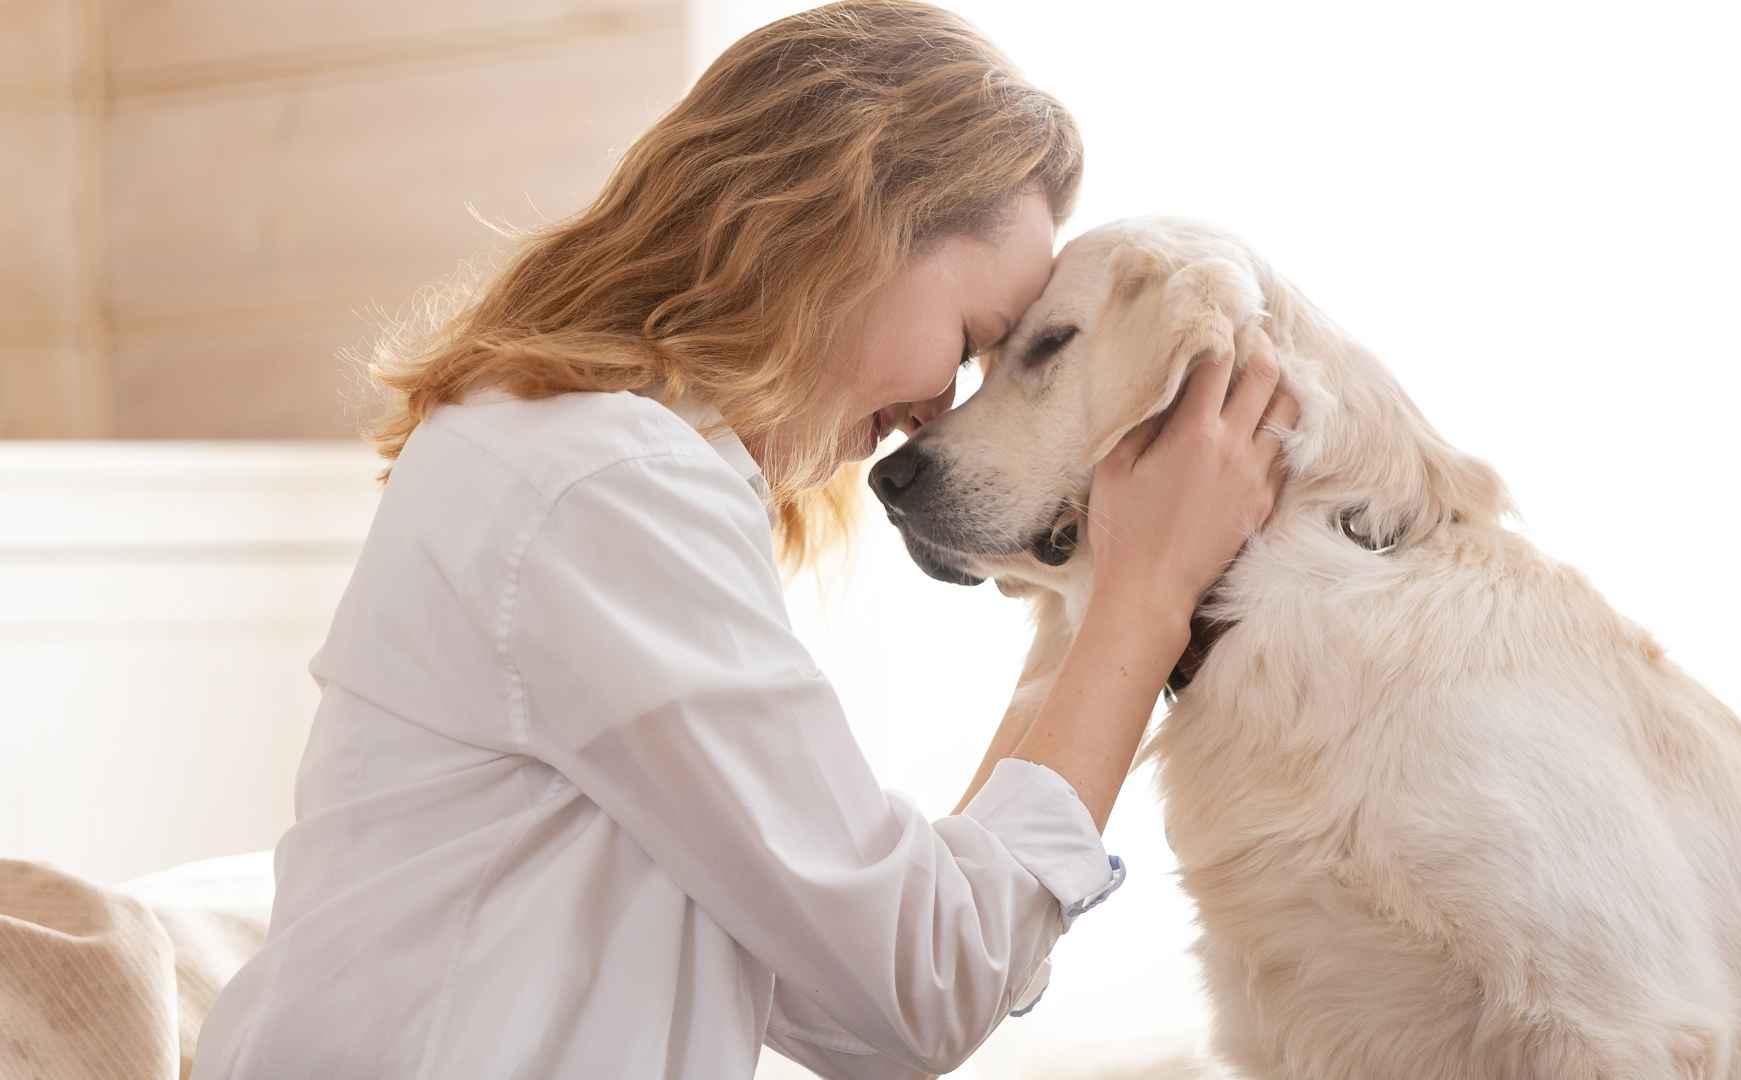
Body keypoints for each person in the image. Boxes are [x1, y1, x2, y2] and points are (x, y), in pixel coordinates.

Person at [193, 3, 1294, 1077]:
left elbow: (858, 1007)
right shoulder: (607, 486)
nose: (934, 414)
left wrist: (1097, 599)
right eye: (967, 342)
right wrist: (1142, 606)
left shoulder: (570, 455)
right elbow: (923, 992)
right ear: (844, 225)